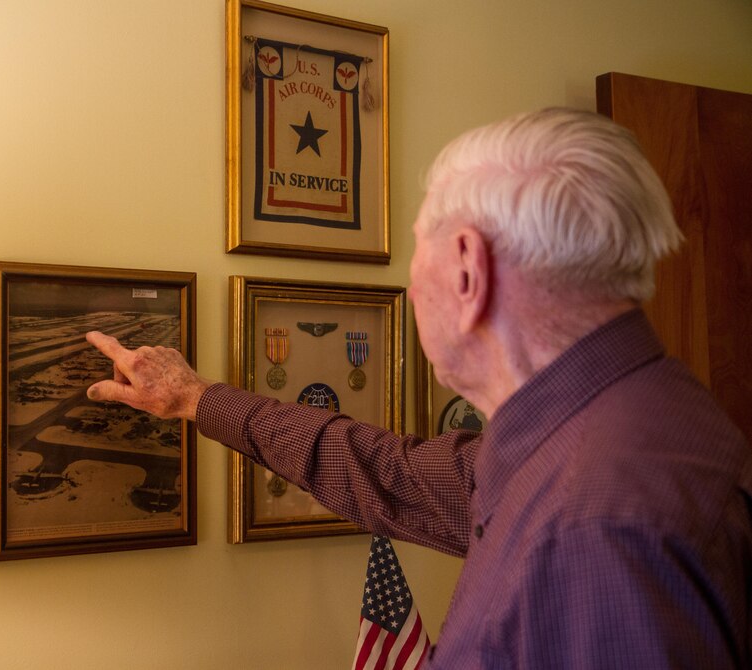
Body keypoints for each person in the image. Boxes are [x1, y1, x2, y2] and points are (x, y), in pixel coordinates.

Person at [86, 107, 752, 668]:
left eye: (416, 249)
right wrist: (195, 398)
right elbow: (388, 473)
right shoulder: (604, 422)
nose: (410, 288)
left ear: (465, 270)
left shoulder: (597, 524)